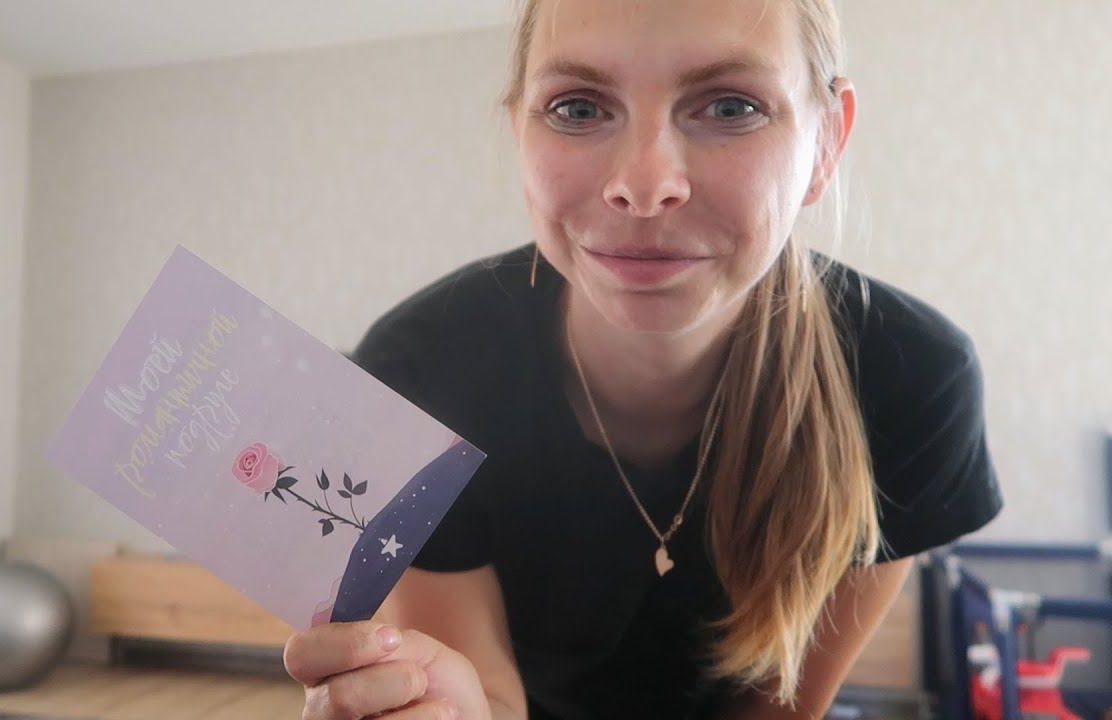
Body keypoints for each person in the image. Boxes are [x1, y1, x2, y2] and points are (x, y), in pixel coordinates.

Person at [283, 0, 1004, 717]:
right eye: (576, 108)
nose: (645, 184)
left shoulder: (911, 382)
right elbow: (489, 699)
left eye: (731, 107)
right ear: (520, 133)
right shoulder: (417, 373)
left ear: (825, 144)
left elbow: (780, 709)